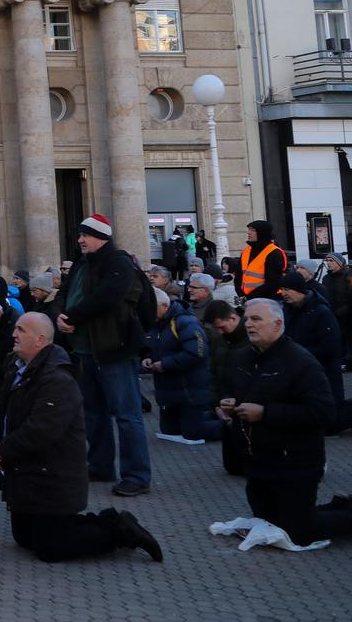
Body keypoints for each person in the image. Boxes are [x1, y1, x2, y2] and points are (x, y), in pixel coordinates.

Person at [0, 312, 162, 563]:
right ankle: (75, 526)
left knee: (50, 548)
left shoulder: (57, 378)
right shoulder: (17, 368)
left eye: (21, 330)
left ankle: (118, 528)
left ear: (40, 340)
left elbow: (41, 430)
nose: (13, 334)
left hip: (52, 477)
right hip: (26, 475)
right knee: (24, 538)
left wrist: (3, 452)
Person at [216, 299, 337, 548]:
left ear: (278, 323)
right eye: (247, 318)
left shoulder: (301, 362)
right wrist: (226, 404)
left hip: (295, 463)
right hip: (257, 464)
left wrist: (266, 413)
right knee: (271, 523)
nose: (248, 324)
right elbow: (229, 391)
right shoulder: (240, 358)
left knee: (298, 532)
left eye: (256, 319)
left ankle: (343, 514)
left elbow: (322, 412)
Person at [56, 214, 152, 497]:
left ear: (102, 237)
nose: (81, 240)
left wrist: (72, 316)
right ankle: (100, 465)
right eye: (80, 235)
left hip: (114, 349)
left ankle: (136, 475)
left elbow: (106, 298)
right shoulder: (81, 265)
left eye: (86, 235)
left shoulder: (119, 263)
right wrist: (60, 315)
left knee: (127, 415)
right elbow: (63, 293)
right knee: (93, 413)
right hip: (85, 350)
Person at [278, 271, 347, 426]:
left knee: (331, 420)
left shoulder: (321, 311)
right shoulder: (288, 310)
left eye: (288, 289)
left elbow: (330, 347)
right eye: (282, 289)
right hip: (301, 370)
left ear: (299, 290)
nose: (284, 293)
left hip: (323, 370)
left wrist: (299, 354)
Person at [142, 287, 209, 445]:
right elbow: (152, 347)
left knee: (192, 433)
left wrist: (165, 364)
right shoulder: (156, 324)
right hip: (168, 391)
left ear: (165, 306)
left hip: (188, 389)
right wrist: (147, 358)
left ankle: (228, 426)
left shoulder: (185, 322)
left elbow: (197, 352)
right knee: (169, 432)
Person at [239, 219, 287, 300]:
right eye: (249, 229)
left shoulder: (273, 253)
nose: (249, 232)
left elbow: (273, 283)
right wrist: (241, 294)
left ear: (262, 233)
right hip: (248, 299)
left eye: (253, 230)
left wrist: (249, 297)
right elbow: (239, 276)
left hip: (269, 300)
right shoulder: (246, 251)